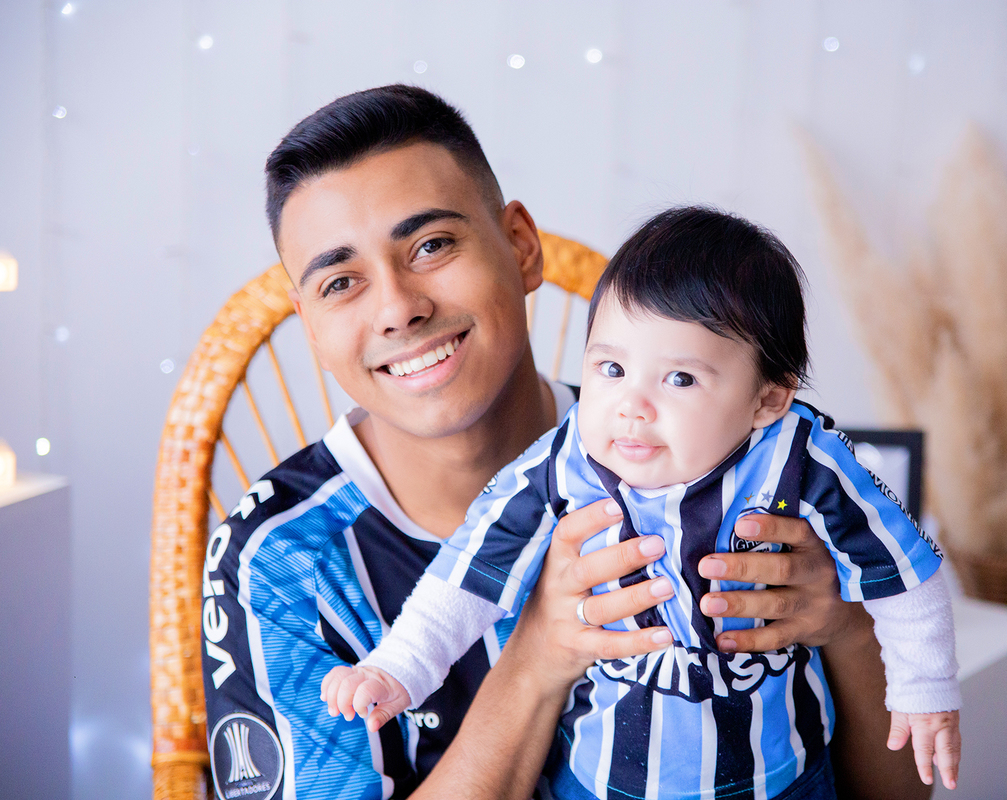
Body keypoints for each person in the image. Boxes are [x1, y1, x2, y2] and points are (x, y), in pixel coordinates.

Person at [202, 83, 936, 800]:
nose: (398, 307)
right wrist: (538, 657)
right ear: (309, 322)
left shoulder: (703, 446)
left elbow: (905, 792)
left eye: (431, 245)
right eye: (341, 283)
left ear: (521, 247)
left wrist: (841, 621)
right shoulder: (277, 559)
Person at [323, 207, 962, 799]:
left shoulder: (802, 457)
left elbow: (910, 574)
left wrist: (924, 687)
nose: (632, 404)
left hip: (781, 776)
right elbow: (463, 579)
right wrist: (396, 670)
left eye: (679, 378)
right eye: (610, 368)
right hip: (604, 779)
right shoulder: (566, 459)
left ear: (769, 398)